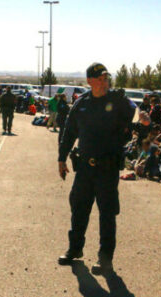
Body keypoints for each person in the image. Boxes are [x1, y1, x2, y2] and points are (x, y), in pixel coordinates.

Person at [57, 63, 135, 274]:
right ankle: (75, 249)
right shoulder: (82, 104)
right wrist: (61, 158)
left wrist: (142, 123)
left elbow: (137, 119)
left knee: (107, 214)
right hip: (84, 168)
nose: (104, 82)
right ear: (89, 81)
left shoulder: (118, 102)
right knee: (79, 209)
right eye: (100, 78)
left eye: (106, 78)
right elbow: (69, 132)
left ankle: (105, 259)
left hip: (107, 169)